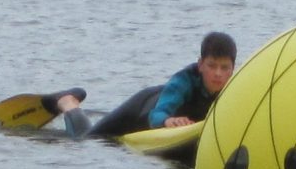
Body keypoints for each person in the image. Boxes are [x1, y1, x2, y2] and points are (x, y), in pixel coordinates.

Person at [87, 32, 238, 139]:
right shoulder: (183, 82)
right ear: (200, 65)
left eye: (224, 67)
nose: (218, 73)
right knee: (89, 136)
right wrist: (168, 121)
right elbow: (156, 115)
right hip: (142, 107)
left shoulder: (235, 87)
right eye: (212, 66)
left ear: (233, 69)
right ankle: (73, 106)